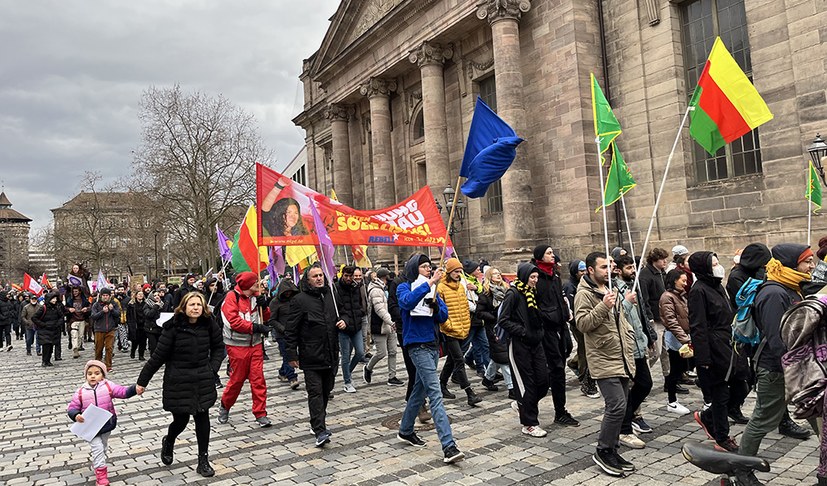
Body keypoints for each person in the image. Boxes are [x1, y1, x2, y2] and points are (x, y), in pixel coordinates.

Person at [738, 245, 815, 472]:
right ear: (792, 263)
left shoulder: (791, 287)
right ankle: (742, 469)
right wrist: (797, 369)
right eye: (807, 262)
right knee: (763, 419)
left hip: (796, 365)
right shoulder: (774, 293)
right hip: (776, 368)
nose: (811, 266)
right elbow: (777, 339)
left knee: (816, 411)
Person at [137, 292, 224, 477]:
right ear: (184, 307)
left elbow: (219, 347)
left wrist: (212, 368)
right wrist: (142, 381)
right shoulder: (173, 328)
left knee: (203, 418)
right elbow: (158, 357)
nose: (195, 308)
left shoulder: (209, 324)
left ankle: (203, 460)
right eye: (191, 304)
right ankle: (169, 441)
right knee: (181, 420)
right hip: (179, 380)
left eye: (198, 305)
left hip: (202, 378)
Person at [396, 254, 465, 464]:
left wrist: (436, 307)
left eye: (429, 266)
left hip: (433, 345)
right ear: (414, 269)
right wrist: (429, 283)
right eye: (423, 267)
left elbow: (443, 316)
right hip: (417, 346)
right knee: (435, 393)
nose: (428, 269)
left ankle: (405, 430)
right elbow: (406, 303)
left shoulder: (434, 289)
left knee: (420, 389)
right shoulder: (404, 287)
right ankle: (449, 445)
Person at [575, 252, 637, 477]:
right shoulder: (584, 293)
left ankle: (613, 448)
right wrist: (603, 306)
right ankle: (603, 450)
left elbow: (619, 320)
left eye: (608, 266)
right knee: (616, 406)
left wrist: (626, 304)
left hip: (620, 355)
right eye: (603, 267)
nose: (607, 270)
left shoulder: (609, 289)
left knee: (622, 406)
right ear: (591, 270)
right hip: (603, 357)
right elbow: (582, 324)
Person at [284, 263, 342, 447]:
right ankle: (320, 430)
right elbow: (291, 329)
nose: (319, 278)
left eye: (321, 275)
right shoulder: (299, 300)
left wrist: (344, 321)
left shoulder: (331, 296)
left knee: (326, 390)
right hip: (311, 355)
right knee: (315, 392)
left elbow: (343, 314)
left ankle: (317, 421)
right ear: (308, 280)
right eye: (315, 276)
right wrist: (292, 354)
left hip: (331, 352)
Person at [688, 251, 739, 452]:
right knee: (720, 394)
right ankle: (722, 437)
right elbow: (698, 326)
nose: (718, 267)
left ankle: (707, 417)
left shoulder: (717, 286)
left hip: (728, 344)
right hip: (714, 348)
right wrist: (703, 359)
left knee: (741, 386)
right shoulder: (698, 291)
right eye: (714, 264)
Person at [498, 263, 550, 437]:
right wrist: (522, 331)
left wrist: (539, 332)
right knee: (525, 384)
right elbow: (503, 320)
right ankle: (529, 423)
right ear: (524, 276)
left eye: (536, 277)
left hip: (536, 343)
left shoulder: (533, 293)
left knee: (543, 381)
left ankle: (523, 405)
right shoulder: (513, 294)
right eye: (532, 277)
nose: (535, 281)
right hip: (519, 344)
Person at [68, 360, 138, 486]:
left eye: (96, 373)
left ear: (103, 375)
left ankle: (98, 461)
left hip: (106, 424)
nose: (93, 376)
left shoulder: (108, 386)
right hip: (89, 427)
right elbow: (73, 407)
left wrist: (134, 389)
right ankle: (101, 475)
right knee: (98, 447)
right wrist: (75, 415)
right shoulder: (81, 391)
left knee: (103, 446)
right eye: (89, 374)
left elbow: (122, 392)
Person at [531, 245, 579, 426]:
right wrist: (547, 317)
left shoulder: (555, 276)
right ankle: (528, 404)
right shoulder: (535, 277)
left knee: (559, 370)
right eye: (549, 253)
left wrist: (565, 318)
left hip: (560, 327)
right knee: (548, 373)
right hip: (545, 331)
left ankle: (560, 411)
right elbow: (535, 306)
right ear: (539, 256)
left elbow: (560, 300)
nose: (553, 256)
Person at [218, 272, 272, 427]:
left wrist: (264, 305)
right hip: (236, 346)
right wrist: (255, 328)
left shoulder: (256, 297)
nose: (258, 284)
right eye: (255, 282)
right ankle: (225, 406)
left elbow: (265, 316)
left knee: (258, 380)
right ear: (248, 284)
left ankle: (260, 413)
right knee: (237, 380)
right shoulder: (231, 298)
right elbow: (234, 321)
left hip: (255, 345)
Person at [614, 255, 657, 450]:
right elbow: (615, 314)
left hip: (639, 342)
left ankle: (629, 415)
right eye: (629, 267)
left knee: (645, 384)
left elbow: (642, 314)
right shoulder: (615, 289)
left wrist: (649, 336)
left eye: (634, 267)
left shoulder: (634, 286)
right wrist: (626, 302)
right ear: (619, 270)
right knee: (627, 387)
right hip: (626, 345)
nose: (633, 270)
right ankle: (624, 426)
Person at [437, 258, 483, 406]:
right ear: (449, 272)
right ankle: (469, 393)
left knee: (452, 360)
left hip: (463, 328)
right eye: (456, 272)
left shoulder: (461, 287)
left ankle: (442, 384)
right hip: (450, 331)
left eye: (460, 272)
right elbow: (440, 311)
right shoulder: (441, 288)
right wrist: (448, 325)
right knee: (459, 360)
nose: (458, 274)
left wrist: (467, 323)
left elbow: (465, 307)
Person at [660, 269, 692, 415]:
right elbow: (671, 321)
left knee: (682, 368)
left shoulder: (681, 296)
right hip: (675, 337)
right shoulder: (667, 297)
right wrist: (685, 339)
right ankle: (672, 401)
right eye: (683, 281)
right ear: (674, 280)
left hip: (684, 335)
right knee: (674, 370)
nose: (685, 284)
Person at [564, 259, 598, 398]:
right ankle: (585, 380)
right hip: (577, 323)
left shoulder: (584, 283)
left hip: (587, 320)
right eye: (581, 271)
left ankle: (574, 362)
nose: (584, 273)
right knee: (585, 350)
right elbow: (570, 307)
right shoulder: (569, 286)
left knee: (586, 349)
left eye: (585, 270)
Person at [364, 267, 404, 386]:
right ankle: (368, 367)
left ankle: (392, 376)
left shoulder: (383, 288)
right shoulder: (376, 290)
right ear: (384, 278)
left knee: (393, 351)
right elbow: (380, 310)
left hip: (389, 324)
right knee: (381, 353)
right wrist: (391, 322)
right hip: (379, 325)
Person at [478, 266, 514, 397]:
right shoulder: (486, 293)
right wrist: (495, 316)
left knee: (497, 356)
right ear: (489, 277)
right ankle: (512, 388)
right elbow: (479, 312)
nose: (498, 276)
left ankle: (488, 379)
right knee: (503, 358)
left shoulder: (507, 290)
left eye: (499, 273)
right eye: (495, 274)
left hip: (507, 326)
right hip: (493, 328)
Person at [335, 265, 366, 393]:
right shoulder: (336, 288)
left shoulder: (356, 286)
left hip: (356, 324)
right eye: (346, 276)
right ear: (342, 275)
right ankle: (347, 381)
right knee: (345, 355)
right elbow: (337, 308)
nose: (348, 278)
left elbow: (359, 303)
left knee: (360, 353)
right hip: (343, 327)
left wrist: (361, 312)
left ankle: (347, 372)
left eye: (351, 276)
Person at [268, 277, 301, 390]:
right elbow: (271, 320)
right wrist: (282, 329)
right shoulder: (275, 302)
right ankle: (292, 377)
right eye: (286, 292)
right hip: (282, 335)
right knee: (287, 356)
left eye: (290, 292)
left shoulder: (295, 300)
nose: (288, 294)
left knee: (289, 355)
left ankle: (283, 372)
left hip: (295, 333)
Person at [461, 260, 490, 377]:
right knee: (466, 346)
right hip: (471, 319)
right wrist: (478, 307)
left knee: (485, 345)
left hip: (479, 319)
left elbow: (482, 292)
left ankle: (488, 371)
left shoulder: (476, 281)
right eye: (477, 269)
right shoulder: (464, 282)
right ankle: (455, 371)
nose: (479, 271)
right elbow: (465, 301)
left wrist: (476, 288)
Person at [90, 288, 120, 372]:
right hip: (99, 329)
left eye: (107, 295)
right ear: (101, 296)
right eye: (104, 295)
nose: (105, 297)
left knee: (109, 348)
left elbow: (118, 314)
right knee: (98, 348)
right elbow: (93, 316)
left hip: (110, 329)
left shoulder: (113, 303)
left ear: (110, 296)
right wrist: (102, 312)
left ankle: (108, 366)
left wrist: (112, 310)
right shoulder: (96, 304)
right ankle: (98, 365)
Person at [34, 291, 65, 367]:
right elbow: (34, 318)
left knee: (51, 346)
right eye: (53, 298)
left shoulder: (56, 307)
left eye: (55, 298)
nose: (55, 300)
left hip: (54, 330)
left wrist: (58, 324)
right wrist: (43, 324)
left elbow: (61, 317)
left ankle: (48, 360)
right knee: (46, 346)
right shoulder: (43, 308)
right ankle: (44, 361)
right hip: (45, 331)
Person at [65, 286, 91, 359]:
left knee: (80, 336)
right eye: (73, 292)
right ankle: (75, 349)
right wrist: (69, 309)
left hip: (82, 319)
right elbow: (64, 308)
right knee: (74, 335)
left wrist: (87, 309)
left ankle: (78, 346)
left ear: (79, 291)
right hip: (73, 320)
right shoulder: (70, 300)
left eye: (76, 291)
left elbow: (90, 306)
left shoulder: (84, 300)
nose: (74, 293)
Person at [126, 290, 148, 361]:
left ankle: (141, 355)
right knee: (135, 341)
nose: (141, 296)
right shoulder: (131, 304)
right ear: (136, 296)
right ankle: (133, 351)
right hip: (135, 325)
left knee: (143, 341)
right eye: (139, 294)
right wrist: (129, 324)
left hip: (144, 325)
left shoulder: (146, 304)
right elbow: (128, 315)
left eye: (142, 294)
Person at [143, 291, 164, 355]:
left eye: (158, 295)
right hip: (150, 328)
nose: (157, 297)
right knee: (153, 345)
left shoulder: (162, 304)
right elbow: (149, 314)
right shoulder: (147, 305)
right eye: (154, 295)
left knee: (159, 345)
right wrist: (155, 306)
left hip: (159, 327)